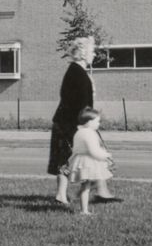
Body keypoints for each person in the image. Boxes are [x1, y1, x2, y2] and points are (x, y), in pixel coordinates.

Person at [49, 36, 115, 206]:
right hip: (71, 124)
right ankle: (97, 192)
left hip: (69, 123)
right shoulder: (78, 74)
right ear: (83, 53)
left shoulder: (75, 72)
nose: (94, 54)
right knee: (82, 157)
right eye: (92, 51)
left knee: (67, 158)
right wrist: (88, 125)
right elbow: (80, 105)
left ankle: (63, 195)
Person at [67, 107, 116, 215]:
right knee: (88, 185)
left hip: (81, 160)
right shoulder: (89, 133)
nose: (99, 124)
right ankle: (84, 210)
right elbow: (94, 151)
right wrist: (106, 155)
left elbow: (75, 149)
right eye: (97, 121)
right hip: (88, 162)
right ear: (89, 122)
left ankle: (83, 208)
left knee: (87, 185)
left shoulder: (79, 132)